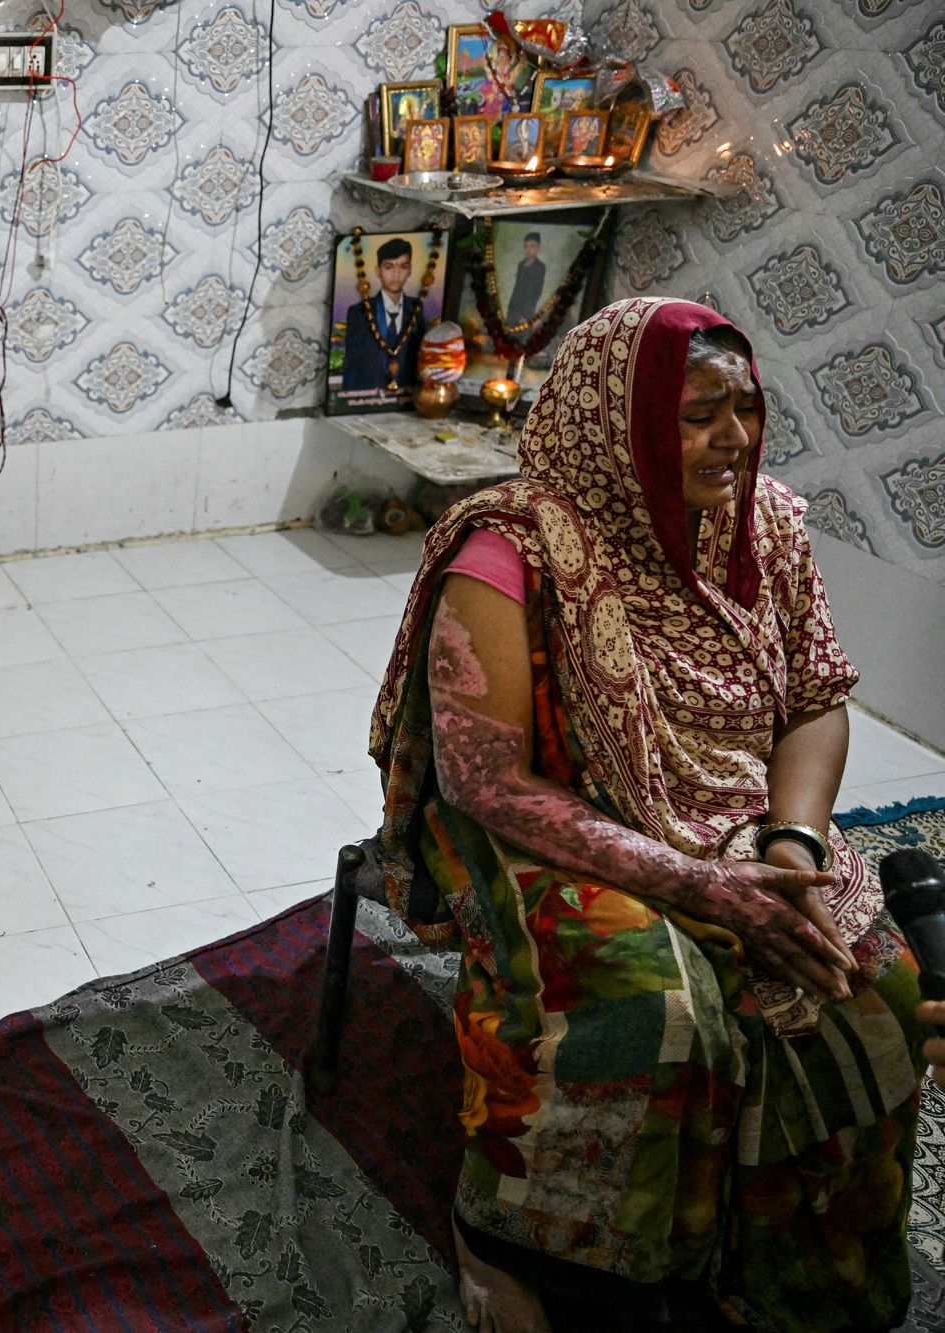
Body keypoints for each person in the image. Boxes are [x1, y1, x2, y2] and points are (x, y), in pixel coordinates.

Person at [370, 298, 925, 1333]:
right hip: (540, 822)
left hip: (730, 819)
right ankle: (508, 1238)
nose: (734, 438)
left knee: (866, 984)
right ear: (612, 419)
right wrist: (700, 887)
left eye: (745, 408)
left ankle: (774, 1261)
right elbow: (487, 782)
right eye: (697, 414)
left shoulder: (763, 526)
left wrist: (788, 845)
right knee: (651, 1006)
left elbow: (811, 696)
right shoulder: (506, 551)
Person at [341, 238, 426, 394]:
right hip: (368, 397)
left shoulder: (417, 308)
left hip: (408, 397)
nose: (396, 274)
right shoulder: (358, 312)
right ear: (377, 271)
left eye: (403, 266)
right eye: (389, 267)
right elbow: (351, 366)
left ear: (410, 270)